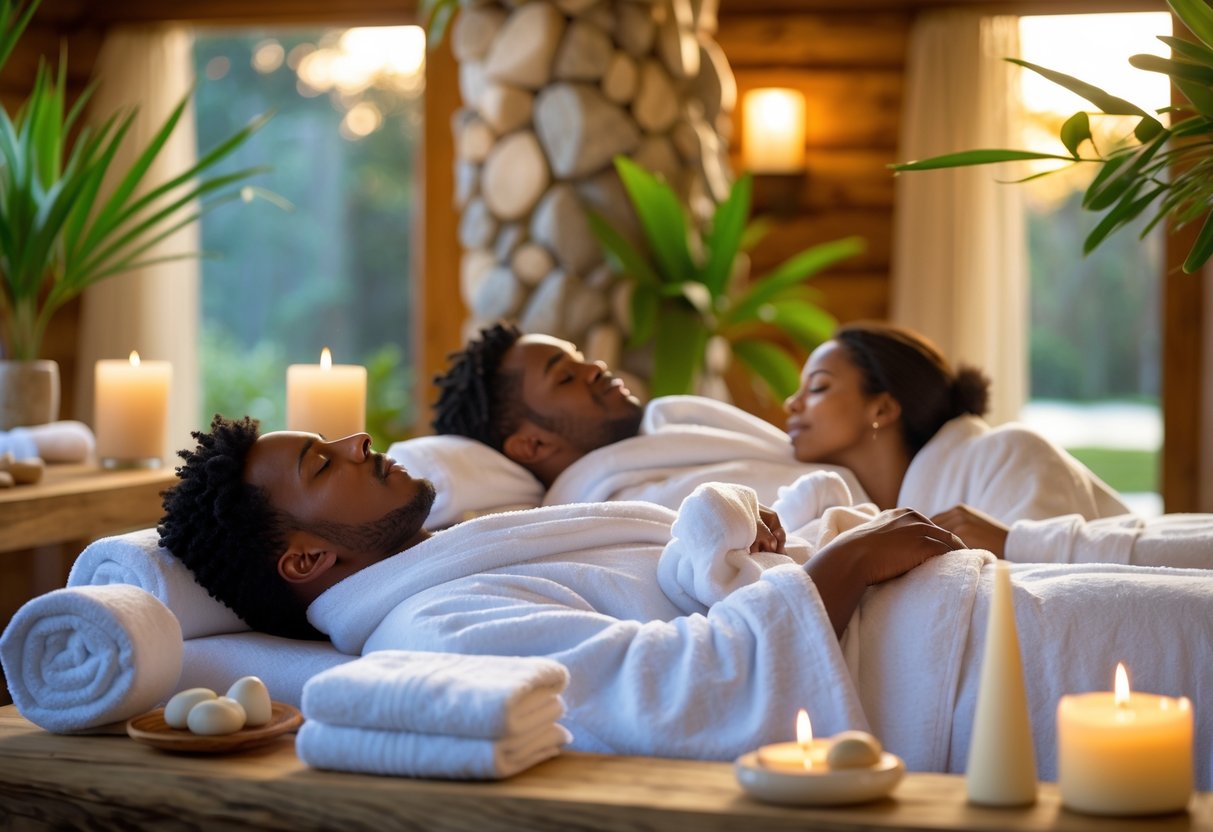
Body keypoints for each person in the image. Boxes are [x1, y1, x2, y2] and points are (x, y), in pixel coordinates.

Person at [158, 416, 1213, 787]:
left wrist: (757, 542)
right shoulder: (435, 627)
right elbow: (666, 700)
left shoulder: (465, 555)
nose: (352, 441)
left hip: (975, 610)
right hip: (966, 677)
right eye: (315, 459)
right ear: (302, 560)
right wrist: (838, 568)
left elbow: (680, 593)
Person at [430, 321, 869, 509]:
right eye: (566, 378)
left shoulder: (672, 419)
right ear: (533, 444)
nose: (595, 368)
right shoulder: (599, 511)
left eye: (580, 358)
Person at [784, 321, 1131, 526]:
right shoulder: (844, 508)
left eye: (818, 387)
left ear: (883, 409)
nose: (791, 403)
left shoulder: (1011, 456)